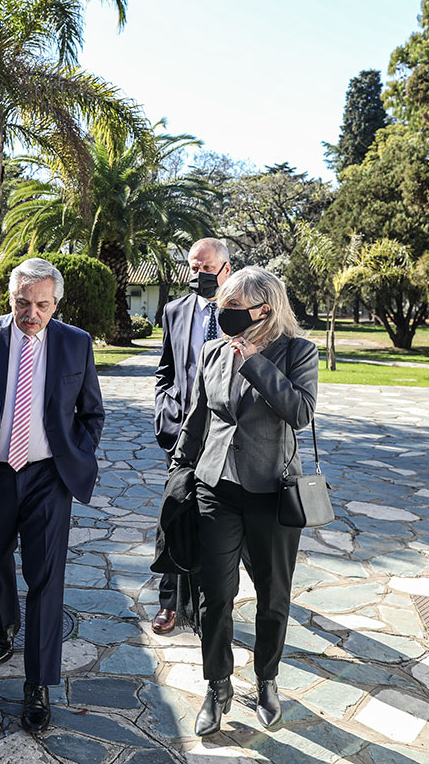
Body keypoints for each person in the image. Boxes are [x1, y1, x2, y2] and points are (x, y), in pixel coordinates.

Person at [0, 258, 105, 733]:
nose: (32, 313)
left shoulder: (76, 343)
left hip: (49, 478)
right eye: (23, 303)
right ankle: (6, 622)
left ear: (56, 303)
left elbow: (92, 412)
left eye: (42, 305)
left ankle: (38, 684)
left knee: (47, 579)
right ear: (10, 298)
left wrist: (76, 454)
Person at [171, 266, 318, 736]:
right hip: (217, 489)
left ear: (264, 310)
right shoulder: (211, 352)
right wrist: (180, 472)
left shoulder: (299, 351)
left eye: (232, 308)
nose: (221, 313)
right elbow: (198, 419)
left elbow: (301, 412)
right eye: (221, 306)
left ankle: (267, 679)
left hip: (272, 493)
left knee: (273, 597)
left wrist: (255, 361)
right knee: (215, 595)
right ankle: (217, 687)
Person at [151, 237, 232, 634]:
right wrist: (163, 416)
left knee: (214, 522)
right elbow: (165, 369)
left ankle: (205, 605)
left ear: (225, 270)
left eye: (206, 268)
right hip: (181, 434)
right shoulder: (174, 310)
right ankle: (169, 603)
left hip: (225, 438)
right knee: (174, 513)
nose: (197, 275)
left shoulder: (239, 311)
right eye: (193, 267)